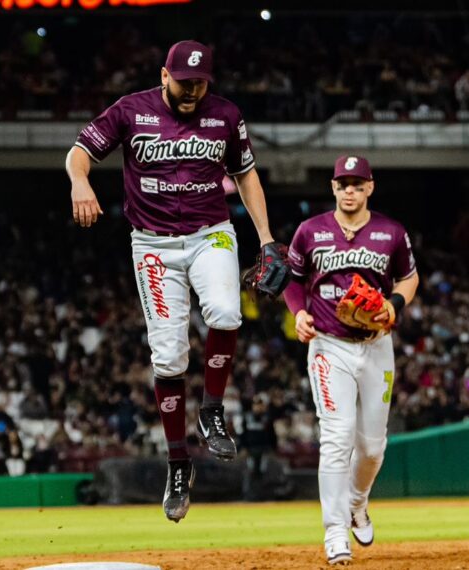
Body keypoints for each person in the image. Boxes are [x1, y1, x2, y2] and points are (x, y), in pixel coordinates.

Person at [66, 40, 284, 523]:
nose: (192, 90)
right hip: (153, 245)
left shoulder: (226, 115)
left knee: (227, 313)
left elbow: (247, 177)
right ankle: (179, 462)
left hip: (212, 235)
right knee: (168, 355)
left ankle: (211, 410)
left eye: (201, 82)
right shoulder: (131, 110)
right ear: (164, 75)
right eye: (184, 82)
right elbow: (80, 151)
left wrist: (266, 239)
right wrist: (81, 182)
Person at [282, 155, 419, 565]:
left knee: (373, 448)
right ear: (334, 188)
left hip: (377, 344)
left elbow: (409, 277)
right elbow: (292, 278)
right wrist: (299, 313)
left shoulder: (391, 232)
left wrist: (394, 304)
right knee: (336, 437)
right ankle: (335, 531)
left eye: (358, 184)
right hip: (328, 344)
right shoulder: (310, 231)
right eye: (344, 184)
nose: (350, 190)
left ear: (370, 188)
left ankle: (358, 503)